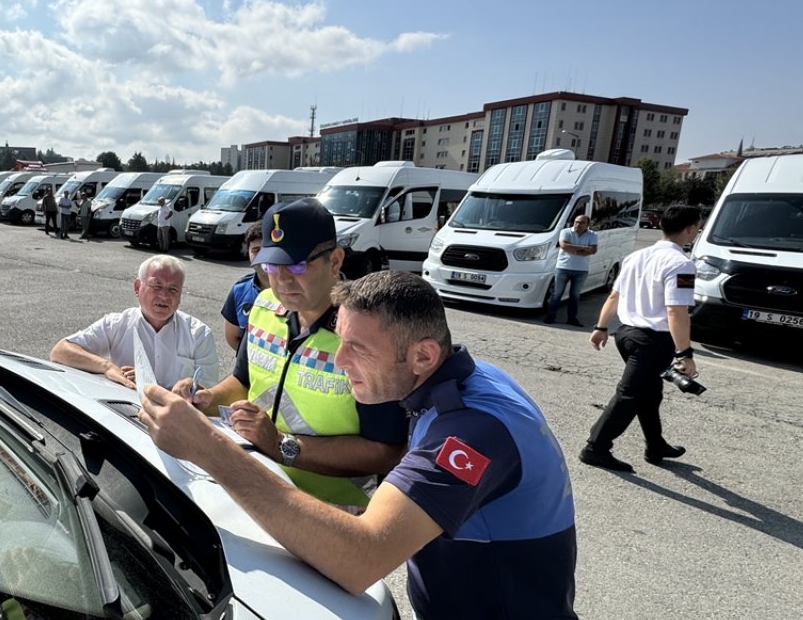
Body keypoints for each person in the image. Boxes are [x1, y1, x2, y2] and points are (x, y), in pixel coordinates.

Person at [140, 271, 578, 618]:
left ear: (423, 356)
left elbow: (360, 558)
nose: (339, 360)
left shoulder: (471, 431)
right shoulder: (466, 378)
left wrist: (210, 449)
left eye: (357, 348)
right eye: (340, 340)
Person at [174, 198, 407, 509]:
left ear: (335, 261)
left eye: (297, 264)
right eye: (271, 265)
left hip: (332, 510)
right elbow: (243, 382)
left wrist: (283, 446)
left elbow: (388, 451)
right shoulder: (264, 305)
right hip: (255, 485)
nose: (281, 280)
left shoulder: (369, 333)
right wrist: (206, 399)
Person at [580, 204, 704, 472]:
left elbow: (614, 296)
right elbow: (676, 310)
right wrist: (685, 354)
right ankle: (595, 448)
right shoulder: (682, 264)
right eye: (697, 227)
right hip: (651, 342)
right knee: (629, 395)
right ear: (690, 229)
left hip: (625, 334)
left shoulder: (636, 257)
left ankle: (655, 445)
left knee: (649, 393)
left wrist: (601, 327)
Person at [49, 255, 218, 390]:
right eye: (156, 286)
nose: (165, 297)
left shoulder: (199, 334)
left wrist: (180, 391)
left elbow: (209, 394)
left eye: (173, 289)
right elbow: (60, 351)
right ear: (137, 287)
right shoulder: (117, 324)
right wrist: (107, 367)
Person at [220, 221, 269, 351]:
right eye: (256, 250)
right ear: (248, 252)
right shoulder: (239, 290)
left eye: (267, 249)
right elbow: (232, 337)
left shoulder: (294, 290)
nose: (262, 256)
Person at [545, 214, 598, 326]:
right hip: (563, 268)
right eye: (576, 221)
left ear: (587, 224)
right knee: (557, 294)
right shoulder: (566, 232)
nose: (578, 224)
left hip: (581, 270)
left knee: (575, 296)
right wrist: (583, 248)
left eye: (582, 222)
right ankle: (551, 316)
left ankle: (572, 319)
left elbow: (593, 250)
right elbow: (563, 245)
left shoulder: (593, 235)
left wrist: (572, 249)